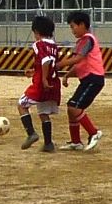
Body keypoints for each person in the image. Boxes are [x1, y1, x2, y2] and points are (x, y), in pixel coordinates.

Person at [56, 11, 105, 151]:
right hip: (88, 80)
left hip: (93, 79)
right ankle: (76, 141)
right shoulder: (82, 41)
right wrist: (67, 75)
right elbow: (79, 64)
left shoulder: (87, 39)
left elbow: (78, 59)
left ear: (82, 24)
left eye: (73, 26)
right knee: (71, 108)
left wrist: (59, 64)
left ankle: (94, 132)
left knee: (74, 107)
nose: (72, 30)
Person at [17, 16, 61, 153]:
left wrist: (43, 78)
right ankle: (48, 143)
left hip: (42, 84)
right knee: (43, 112)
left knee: (21, 105)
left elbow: (45, 60)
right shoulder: (54, 46)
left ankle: (31, 133)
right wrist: (35, 71)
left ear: (36, 31)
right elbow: (51, 63)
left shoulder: (39, 44)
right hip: (54, 84)